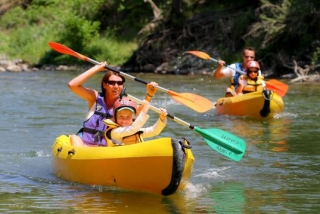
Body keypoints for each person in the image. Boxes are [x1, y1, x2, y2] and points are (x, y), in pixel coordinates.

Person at [68, 61, 158, 147]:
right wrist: (96, 68)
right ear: (104, 85)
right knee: (74, 138)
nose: (116, 86)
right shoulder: (94, 97)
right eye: (112, 83)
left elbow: (139, 113)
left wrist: (149, 94)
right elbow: (73, 85)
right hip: (84, 145)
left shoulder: (124, 103)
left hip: (108, 148)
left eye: (119, 83)